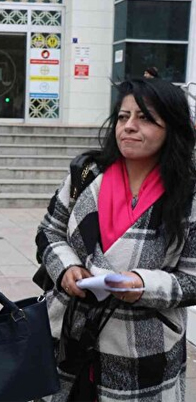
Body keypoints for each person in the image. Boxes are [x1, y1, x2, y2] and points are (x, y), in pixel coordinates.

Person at [36, 78, 196, 401]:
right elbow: (48, 232)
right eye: (123, 117)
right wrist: (66, 269)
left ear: (172, 127)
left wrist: (142, 284)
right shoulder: (87, 174)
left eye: (145, 118)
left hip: (142, 355)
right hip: (68, 342)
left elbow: (192, 281)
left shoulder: (188, 195)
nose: (129, 126)